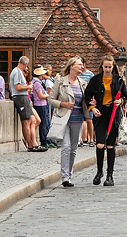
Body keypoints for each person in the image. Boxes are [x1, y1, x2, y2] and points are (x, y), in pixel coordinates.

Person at [83, 55, 126, 186]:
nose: (107, 69)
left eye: (110, 67)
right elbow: (87, 95)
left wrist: (121, 101)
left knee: (110, 145)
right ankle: (99, 171)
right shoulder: (95, 80)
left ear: (113, 67)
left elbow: (125, 95)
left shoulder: (118, 80)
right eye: (105, 66)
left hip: (113, 113)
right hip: (100, 113)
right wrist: (92, 108)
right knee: (100, 144)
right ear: (102, 66)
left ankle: (110, 175)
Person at [50, 56, 86, 187]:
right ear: (71, 66)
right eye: (79, 64)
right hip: (63, 118)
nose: (82, 67)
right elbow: (50, 99)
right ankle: (65, 177)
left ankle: (69, 174)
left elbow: (85, 100)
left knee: (73, 149)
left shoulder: (82, 83)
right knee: (65, 147)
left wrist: (91, 104)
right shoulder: (60, 82)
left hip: (78, 118)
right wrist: (63, 104)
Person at [9, 56, 42, 151]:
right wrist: (28, 87)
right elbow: (18, 87)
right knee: (26, 121)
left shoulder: (17, 72)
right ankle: (30, 145)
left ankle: (32, 142)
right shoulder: (17, 72)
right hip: (20, 98)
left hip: (23, 97)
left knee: (32, 120)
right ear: (25, 64)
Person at [30, 66, 54, 147]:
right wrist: (48, 96)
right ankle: (44, 141)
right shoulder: (37, 84)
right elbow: (40, 96)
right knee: (43, 124)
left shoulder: (33, 82)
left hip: (38, 104)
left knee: (42, 123)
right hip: (40, 105)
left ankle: (43, 140)